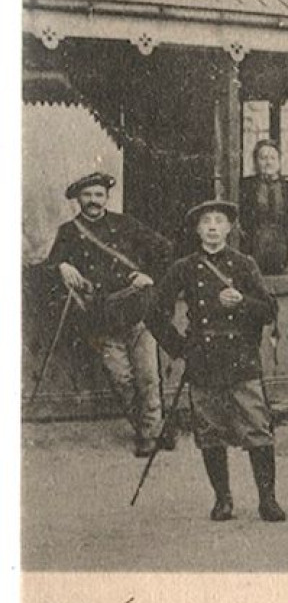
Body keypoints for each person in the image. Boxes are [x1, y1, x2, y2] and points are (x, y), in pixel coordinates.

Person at [147, 200, 283, 522]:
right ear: (197, 230)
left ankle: (268, 500)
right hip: (203, 362)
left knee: (257, 429)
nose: (212, 227)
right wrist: (181, 348)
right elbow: (154, 313)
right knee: (209, 432)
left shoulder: (245, 264)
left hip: (241, 361)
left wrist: (243, 303)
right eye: (205, 221)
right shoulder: (183, 268)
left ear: (229, 228)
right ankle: (222, 500)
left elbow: (269, 310)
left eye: (219, 221)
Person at [47, 171, 174, 455]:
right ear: (78, 199)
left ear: (107, 197)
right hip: (100, 318)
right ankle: (154, 427)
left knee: (148, 376)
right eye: (88, 195)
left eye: (99, 195)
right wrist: (61, 266)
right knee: (121, 380)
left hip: (138, 311)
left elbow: (164, 249)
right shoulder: (68, 232)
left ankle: (149, 434)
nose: (93, 201)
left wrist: (148, 275)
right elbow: (45, 269)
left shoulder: (125, 224)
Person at [237, 139, 288, 275]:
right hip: (251, 250)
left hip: (283, 252)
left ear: (279, 162)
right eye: (263, 158)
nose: (268, 162)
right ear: (256, 161)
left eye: (272, 158)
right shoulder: (245, 187)